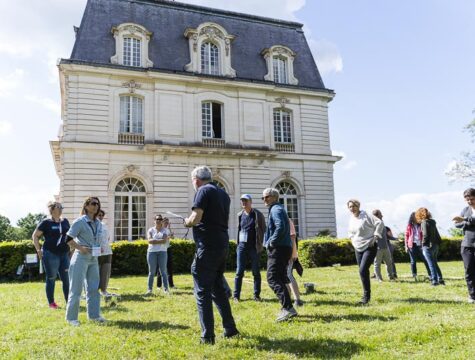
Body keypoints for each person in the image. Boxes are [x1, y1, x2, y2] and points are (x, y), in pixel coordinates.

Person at [184, 166, 239, 345]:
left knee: (202, 291)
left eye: (193, 181)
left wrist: (187, 222)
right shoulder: (222, 193)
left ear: (197, 180)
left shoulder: (202, 191)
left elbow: (196, 217)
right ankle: (230, 329)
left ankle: (207, 336)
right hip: (222, 243)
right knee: (217, 288)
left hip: (207, 246)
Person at [64, 196, 105, 326]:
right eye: (93, 203)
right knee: (76, 289)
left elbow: (96, 238)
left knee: (93, 288)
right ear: (86, 206)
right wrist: (81, 248)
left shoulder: (98, 222)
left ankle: (94, 316)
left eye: (97, 204)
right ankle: (71, 319)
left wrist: (100, 247)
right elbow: (68, 239)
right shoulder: (80, 221)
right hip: (80, 258)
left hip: (94, 258)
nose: (96, 206)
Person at [262, 187, 297, 321]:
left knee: (272, 278)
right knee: (281, 278)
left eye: (266, 197)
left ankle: (288, 308)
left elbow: (280, 226)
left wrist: (271, 241)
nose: (264, 199)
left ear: (274, 197)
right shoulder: (278, 208)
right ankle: (286, 307)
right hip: (284, 247)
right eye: (263, 197)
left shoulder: (276, 209)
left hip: (279, 248)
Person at [32, 201, 70, 309]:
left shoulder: (65, 221)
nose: (61, 209)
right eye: (58, 207)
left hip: (64, 254)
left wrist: (71, 249)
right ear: (52, 209)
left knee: (66, 278)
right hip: (50, 254)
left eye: (61, 207)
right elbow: (35, 236)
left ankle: (69, 302)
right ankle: (52, 303)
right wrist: (38, 250)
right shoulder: (46, 222)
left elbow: (70, 236)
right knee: (51, 278)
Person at [347, 199, 383, 305]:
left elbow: (379, 223)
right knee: (363, 272)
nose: (352, 208)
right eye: (350, 207)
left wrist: (376, 236)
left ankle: (366, 297)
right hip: (357, 247)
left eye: (354, 206)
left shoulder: (366, 215)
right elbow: (350, 232)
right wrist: (352, 239)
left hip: (369, 246)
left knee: (363, 270)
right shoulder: (351, 219)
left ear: (358, 206)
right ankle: (366, 294)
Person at [233, 194, 266, 302]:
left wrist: (261, 242)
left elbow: (263, 228)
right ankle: (236, 296)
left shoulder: (257, 214)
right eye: (242, 201)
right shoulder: (239, 215)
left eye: (246, 201)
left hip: (254, 247)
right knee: (239, 271)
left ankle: (256, 295)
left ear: (251, 202)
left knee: (256, 271)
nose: (244, 202)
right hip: (241, 246)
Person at [454, 188, 475, 303]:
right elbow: (457, 224)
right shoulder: (465, 210)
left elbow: (463, 220)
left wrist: (465, 220)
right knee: (469, 270)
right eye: (467, 200)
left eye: (472, 199)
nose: (470, 202)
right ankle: (472, 295)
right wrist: (467, 221)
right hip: (467, 244)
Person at [415, 208, 444, 286]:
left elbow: (425, 235)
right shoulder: (432, 222)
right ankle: (440, 279)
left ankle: (434, 281)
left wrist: (423, 244)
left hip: (428, 246)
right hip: (435, 245)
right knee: (434, 263)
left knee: (431, 264)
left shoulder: (424, 222)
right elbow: (437, 234)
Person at [146, 214, 169, 295]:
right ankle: (149, 290)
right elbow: (149, 241)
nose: (158, 221)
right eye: (157, 219)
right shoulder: (150, 230)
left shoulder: (165, 230)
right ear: (154, 220)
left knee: (163, 271)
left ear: (162, 221)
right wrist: (160, 240)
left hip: (162, 252)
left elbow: (164, 241)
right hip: (151, 252)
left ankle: (166, 289)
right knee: (151, 272)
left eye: (160, 219)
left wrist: (154, 240)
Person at [405, 212, 431, 279]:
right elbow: (406, 236)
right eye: (415, 216)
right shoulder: (409, 226)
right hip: (412, 245)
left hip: (421, 245)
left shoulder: (421, 224)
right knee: (413, 261)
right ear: (412, 217)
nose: (417, 217)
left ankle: (430, 274)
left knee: (425, 259)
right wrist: (406, 246)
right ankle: (414, 275)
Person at [372, 210, 396, 281]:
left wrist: (395, 238)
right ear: (376, 216)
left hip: (386, 247)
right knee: (377, 264)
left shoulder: (382, 224)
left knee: (389, 263)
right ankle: (379, 278)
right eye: (380, 214)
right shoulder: (372, 225)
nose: (382, 216)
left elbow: (386, 236)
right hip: (377, 248)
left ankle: (391, 277)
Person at [286, 218, 303, 307]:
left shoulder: (287, 221)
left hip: (288, 253)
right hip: (281, 253)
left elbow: (292, 237)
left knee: (288, 275)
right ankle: (287, 299)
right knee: (284, 276)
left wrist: (292, 253)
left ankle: (297, 300)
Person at [96, 210, 114, 296]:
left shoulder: (105, 226)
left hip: (107, 251)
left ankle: (104, 290)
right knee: (95, 272)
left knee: (106, 272)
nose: (100, 217)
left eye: (102, 215)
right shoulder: (92, 225)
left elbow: (108, 238)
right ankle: (94, 291)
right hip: (96, 252)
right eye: (99, 215)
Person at [156, 217, 175, 289]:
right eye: (166, 222)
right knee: (160, 268)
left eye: (168, 222)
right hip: (161, 250)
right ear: (162, 222)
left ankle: (171, 284)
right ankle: (159, 285)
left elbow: (172, 238)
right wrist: (169, 236)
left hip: (168, 249)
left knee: (170, 267)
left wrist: (170, 232)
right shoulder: (160, 230)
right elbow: (161, 239)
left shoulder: (167, 230)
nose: (167, 224)